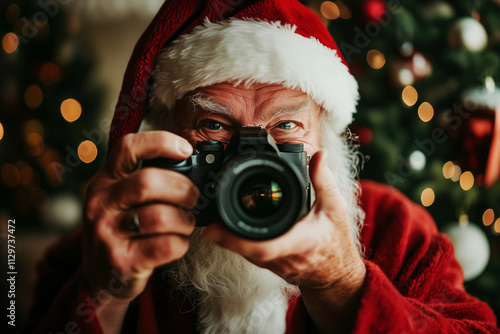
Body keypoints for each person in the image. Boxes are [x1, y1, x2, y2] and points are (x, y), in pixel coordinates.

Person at [25, 0, 499, 333]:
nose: (250, 157)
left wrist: (342, 283)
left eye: (286, 126)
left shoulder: (395, 229)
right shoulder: (110, 241)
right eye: (214, 125)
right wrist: (105, 292)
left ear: (326, 137)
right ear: (167, 134)